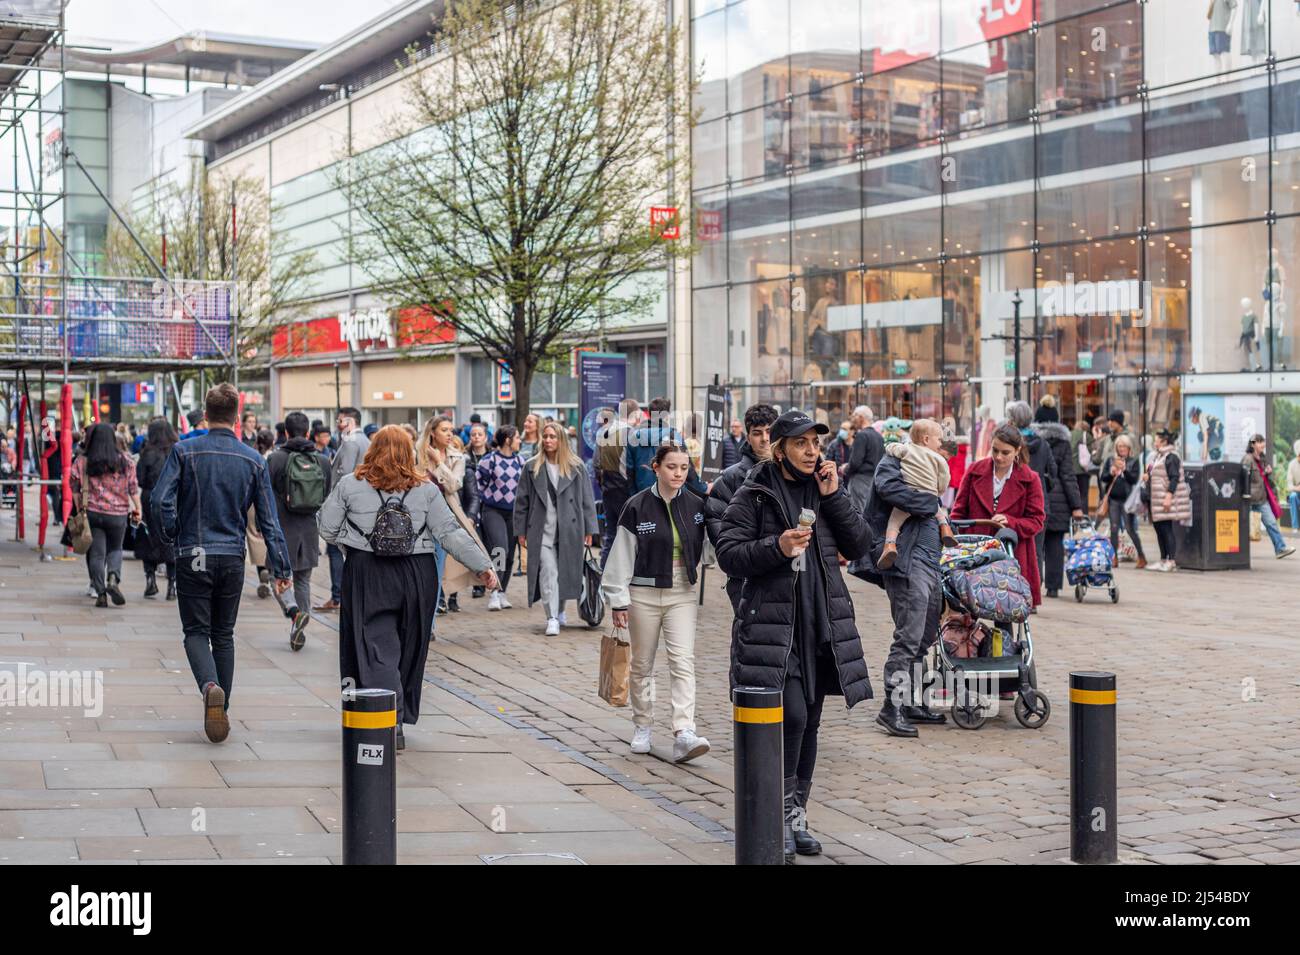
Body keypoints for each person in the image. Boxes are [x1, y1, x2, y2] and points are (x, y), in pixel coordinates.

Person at [716, 410, 873, 862]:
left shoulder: (825, 489)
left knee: (812, 722)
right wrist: (776, 547)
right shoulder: (757, 491)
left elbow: (860, 545)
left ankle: (796, 817)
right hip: (774, 627)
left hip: (821, 624)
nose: (811, 452)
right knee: (795, 716)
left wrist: (836, 495)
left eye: (816, 444)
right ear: (779, 447)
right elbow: (728, 553)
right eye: (801, 444)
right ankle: (780, 818)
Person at [319, 426, 498, 750]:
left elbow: (327, 526)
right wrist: (482, 565)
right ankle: (397, 715)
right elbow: (450, 533)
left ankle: (387, 719)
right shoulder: (426, 490)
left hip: (367, 571)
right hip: (416, 573)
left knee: (373, 645)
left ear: (372, 450)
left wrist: (353, 546)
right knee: (410, 643)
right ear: (409, 453)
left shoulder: (350, 485)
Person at [151, 383, 292, 744]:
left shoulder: (184, 451)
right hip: (231, 555)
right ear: (236, 413)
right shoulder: (253, 459)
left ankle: (209, 686)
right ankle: (222, 707)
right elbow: (268, 521)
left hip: (193, 552)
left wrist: (171, 535)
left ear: (206, 412)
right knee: (223, 634)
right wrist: (281, 569)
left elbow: (159, 500)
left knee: (196, 631)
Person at [602, 444, 711, 763]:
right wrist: (618, 601)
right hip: (643, 595)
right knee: (642, 664)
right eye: (671, 467)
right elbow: (620, 555)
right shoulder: (637, 506)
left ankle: (684, 731)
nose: (678, 473)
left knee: (683, 661)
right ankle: (643, 726)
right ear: (656, 468)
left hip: (681, 594)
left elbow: (708, 546)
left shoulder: (696, 505)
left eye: (683, 468)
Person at [514, 420, 598, 635]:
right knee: (548, 571)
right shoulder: (532, 467)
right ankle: (551, 616)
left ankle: (560, 611)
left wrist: (590, 530)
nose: (548, 440)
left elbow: (587, 500)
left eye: (553, 437)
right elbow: (521, 502)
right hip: (541, 530)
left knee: (565, 572)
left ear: (561, 440)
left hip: (569, 530)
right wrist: (520, 531)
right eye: (546, 436)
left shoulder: (576, 466)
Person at [952, 423, 1047, 607]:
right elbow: (958, 512)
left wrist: (1010, 522)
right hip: (975, 551)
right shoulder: (974, 471)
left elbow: (1036, 520)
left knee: (1004, 609)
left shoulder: (1030, 479)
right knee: (968, 605)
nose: (998, 457)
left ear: (1017, 450)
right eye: (995, 450)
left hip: (1012, 554)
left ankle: (1003, 637)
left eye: (1005, 452)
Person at [705, 404, 779, 612]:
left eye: (770, 431)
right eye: (757, 433)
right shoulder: (732, 477)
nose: (765, 438)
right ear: (748, 437)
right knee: (749, 635)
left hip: (787, 572)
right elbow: (716, 520)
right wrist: (741, 555)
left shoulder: (794, 474)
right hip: (745, 577)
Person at [268, 412, 332, 649]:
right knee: (303, 580)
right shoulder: (322, 461)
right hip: (308, 529)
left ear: (285, 432)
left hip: (281, 529)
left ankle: (294, 613)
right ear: (308, 433)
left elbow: (266, 494)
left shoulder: (275, 459)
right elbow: (327, 494)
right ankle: (299, 623)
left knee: (278, 577)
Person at [418, 416, 487, 614]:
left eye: (451, 430)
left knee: (438, 566)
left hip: (444, 517)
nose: (450, 434)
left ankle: (433, 613)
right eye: (444, 430)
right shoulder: (418, 454)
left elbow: (454, 485)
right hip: (419, 516)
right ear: (432, 432)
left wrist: (439, 463)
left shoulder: (458, 457)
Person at [70, 423, 142, 608]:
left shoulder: (82, 461)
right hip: (118, 514)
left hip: (93, 513)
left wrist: (80, 508)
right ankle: (113, 578)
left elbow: (75, 488)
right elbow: (133, 488)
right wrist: (138, 508)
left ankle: (100, 593)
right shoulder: (125, 460)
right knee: (116, 549)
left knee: (96, 554)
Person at [877, 419, 959, 569]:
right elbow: (944, 478)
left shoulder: (906, 449)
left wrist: (890, 446)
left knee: (894, 522)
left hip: (909, 491)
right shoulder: (938, 458)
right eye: (939, 440)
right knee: (940, 514)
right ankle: (945, 529)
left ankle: (889, 545)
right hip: (930, 496)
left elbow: (891, 449)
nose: (941, 444)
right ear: (926, 439)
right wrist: (938, 491)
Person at [315, 407, 369, 613]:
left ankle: (338, 596)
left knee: (335, 550)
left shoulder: (351, 443)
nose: (337, 425)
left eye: (339, 421)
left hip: (346, 507)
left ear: (349, 421)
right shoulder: (367, 442)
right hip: (363, 506)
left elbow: (344, 478)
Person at [1031, 401, 1085, 597]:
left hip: (1036, 497)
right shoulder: (1063, 443)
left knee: (1036, 545)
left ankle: (1036, 582)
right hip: (1059, 499)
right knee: (1054, 543)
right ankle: (1053, 587)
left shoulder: (1031, 442)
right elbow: (1068, 475)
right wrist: (1076, 505)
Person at [1006, 399, 1057, 588]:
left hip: (1012, 502)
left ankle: (1015, 588)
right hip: (1039, 501)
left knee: (1013, 547)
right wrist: (1042, 486)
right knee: (1036, 550)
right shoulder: (1042, 443)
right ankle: (1033, 590)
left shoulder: (1008, 443)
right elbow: (1053, 472)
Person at [476, 424, 523, 611]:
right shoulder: (489, 460)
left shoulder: (521, 461)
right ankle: (494, 591)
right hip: (492, 511)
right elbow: (478, 487)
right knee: (499, 549)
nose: (520, 440)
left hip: (513, 513)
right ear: (508, 440)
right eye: (517, 437)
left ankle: (503, 591)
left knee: (511, 553)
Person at [625, 397, 707, 496]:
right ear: (666, 416)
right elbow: (688, 469)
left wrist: (634, 497)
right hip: (671, 496)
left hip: (642, 496)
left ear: (650, 414)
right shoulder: (674, 436)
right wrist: (704, 488)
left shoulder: (634, 437)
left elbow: (629, 473)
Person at [135, 418, 178, 600]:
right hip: (173, 498)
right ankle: (172, 585)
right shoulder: (177, 451)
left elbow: (141, 479)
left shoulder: (147, 453)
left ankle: (150, 580)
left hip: (150, 498)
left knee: (149, 537)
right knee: (171, 539)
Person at [1142, 429, 1191, 571]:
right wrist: (1148, 477)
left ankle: (1171, 560)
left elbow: (1174, 478)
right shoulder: (1158, 456)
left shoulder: (1171, 457)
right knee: (1159, 529)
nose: (1154, 442)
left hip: (1164, 498)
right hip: (1156, 498)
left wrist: (1169, 496)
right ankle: (1163, 559)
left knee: (1166, 529)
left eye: (1156, 439)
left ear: (1164, 441)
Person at [1097, 433, 1147, 568]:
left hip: (1127, 500)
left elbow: (1134, 479)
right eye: (1119, 446)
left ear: (1129, 447)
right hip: (1113, 499)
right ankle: (1114, 558)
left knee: (1130, 529)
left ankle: (1141, 556)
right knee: (1114, 529)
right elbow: (1103, 478)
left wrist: (1124, 470)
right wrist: (1111, 472)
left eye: (1124, 446)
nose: (1122, 448)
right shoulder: (1110, 460)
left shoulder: (1133, 461)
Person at [1243, 433, 1295, 558]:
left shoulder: (1262, 458)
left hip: (1261, 498)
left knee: (1271, 523)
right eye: (1260, 442)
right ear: (1253, 444)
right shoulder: (1247, 459)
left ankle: (1280, 549)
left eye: (1263, 442)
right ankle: (1237, 552)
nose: (1263, 445)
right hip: (1249, 499)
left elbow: (1262, 477)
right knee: (1243, 527)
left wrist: (1267, 472)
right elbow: (1243, 478)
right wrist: (1245, 495)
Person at [464, 422, 492, 598]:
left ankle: (491, 577)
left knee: (489, 543)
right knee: (476, 543)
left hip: (489, 504)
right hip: (472, 504)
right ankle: (478, 584)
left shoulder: (492, 456)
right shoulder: (465, 457)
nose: (476, 437)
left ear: (485, 437)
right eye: (473, 434)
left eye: (479, 434)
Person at [843, 404, 884, 512]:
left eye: (854, 416)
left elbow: (855, 462)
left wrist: (845, 469)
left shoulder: (862, 436)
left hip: (860, 481)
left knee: (859, 512)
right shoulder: (879, 436)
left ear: (861, 417)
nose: (853, 419)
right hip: (874, 480)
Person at [1070, 414, 1097, 510]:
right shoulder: (1087, 436)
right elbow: (1093, 452)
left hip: (1070, 470)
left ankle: (1073, 516)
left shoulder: (1069, 434)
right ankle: (1084, 518)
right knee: (1083, 495)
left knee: (1073, 494)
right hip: (1083, 470)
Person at [1288, 440, 1300, 535]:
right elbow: (1289, 485)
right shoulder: (1292, 465)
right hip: (1297, 493)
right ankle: (1295, 526)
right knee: (1292, 496)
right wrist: (1297, 488)